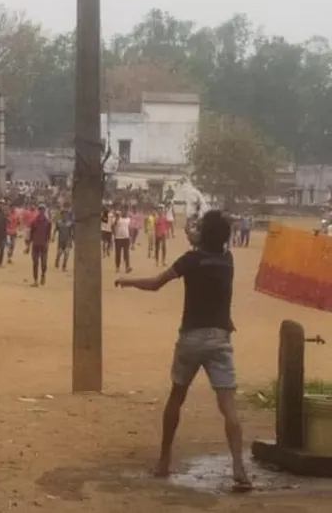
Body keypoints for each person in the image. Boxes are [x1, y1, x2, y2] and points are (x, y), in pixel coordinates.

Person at [114, 210, 251, 492]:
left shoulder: (191, 260)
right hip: (221, 336)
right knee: (229, 407)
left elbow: (155, 284)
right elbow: (211, 261)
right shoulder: (227, 260)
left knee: (177, 396)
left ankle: (164, 461)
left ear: (204, 233)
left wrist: (127, 281)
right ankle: (239, 466)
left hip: (191, 336)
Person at [27, 204, 52, 286]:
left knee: (44, 263)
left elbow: (49, 235)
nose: (41, 211)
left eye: (43, 210)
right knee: (35, 263)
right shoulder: (34, 222)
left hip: (43, 245)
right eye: (40, 210)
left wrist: (47, 243)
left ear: (44, 211)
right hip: (35, 245)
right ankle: (35, 280)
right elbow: (31, 234)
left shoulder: (48, 222)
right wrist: (28, 245)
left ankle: (43, 275)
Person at [113, 207, 133, 273]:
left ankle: (127, 267)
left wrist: (130, 237)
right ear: (121, 211)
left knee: (126, 254)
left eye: (126, 211)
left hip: (126, 238)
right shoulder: (118, 218)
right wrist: (114, 234)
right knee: (118, 253)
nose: (124, 212)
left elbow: (130, 228)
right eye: (123, 211)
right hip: (118, 238)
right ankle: (117, 267)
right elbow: (112, 226)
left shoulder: (128, 219)